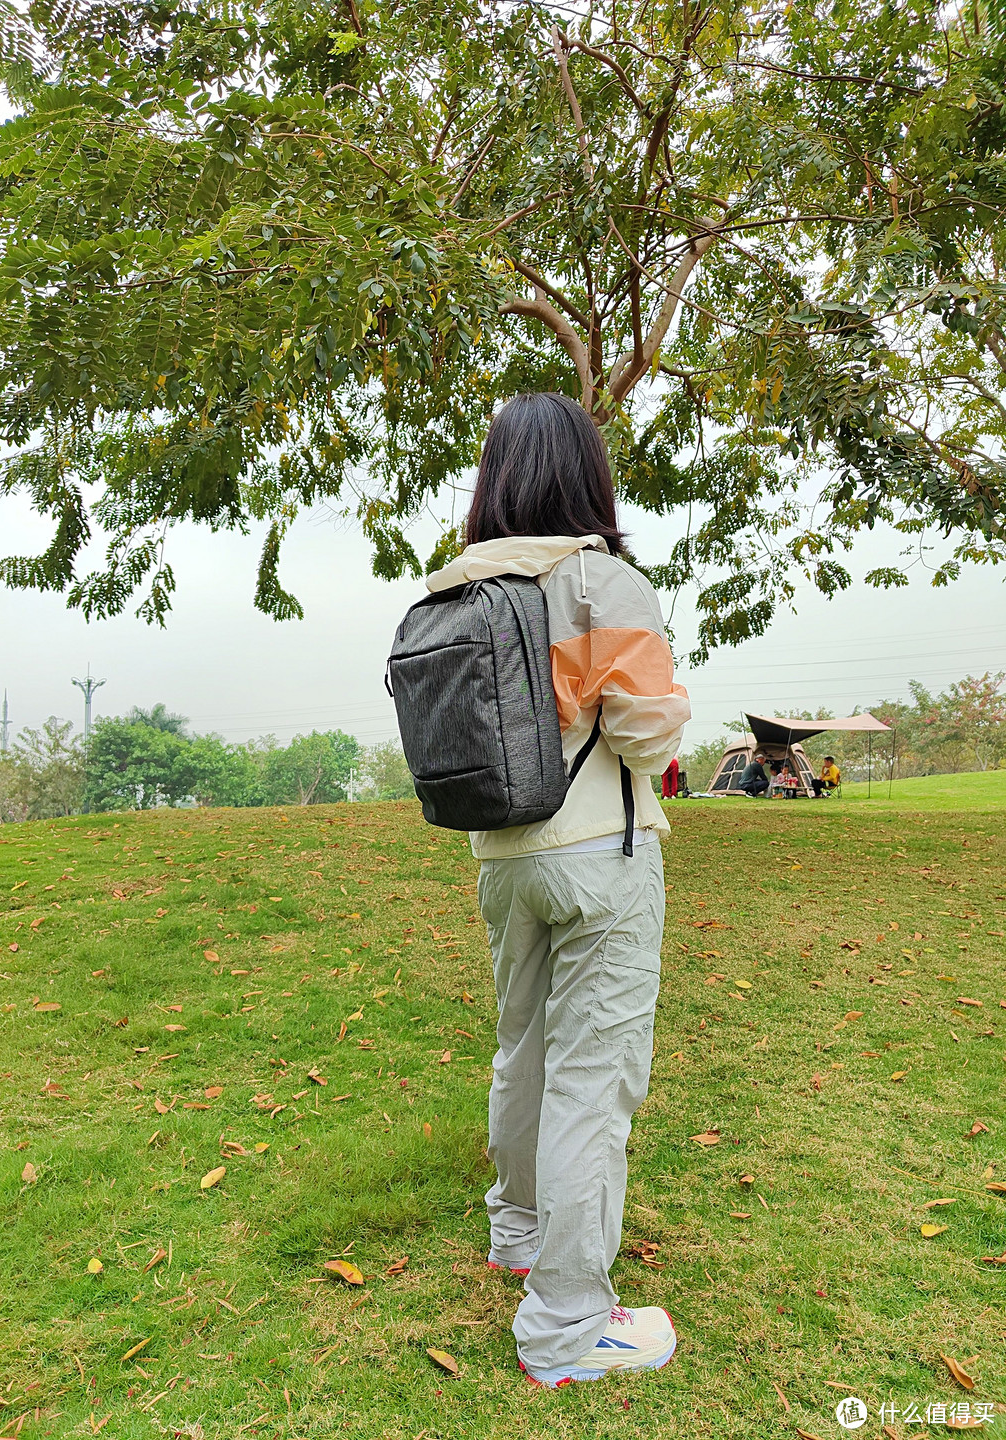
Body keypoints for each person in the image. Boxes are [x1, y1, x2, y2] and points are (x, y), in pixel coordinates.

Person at [424, 392, 690, 1388]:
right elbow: (648, 731)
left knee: (522, 1050)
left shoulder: (453, 583)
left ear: (495, 474)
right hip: (598, 855)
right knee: (594, 1084)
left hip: (501, 857)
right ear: (587, 471)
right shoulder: (599, 580)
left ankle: (518, 1232)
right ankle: (568, 1326)